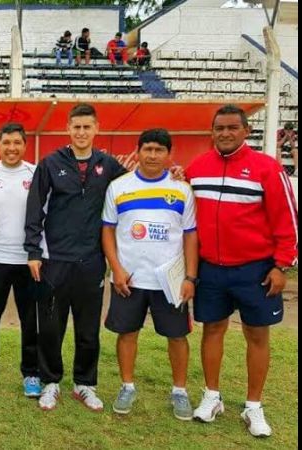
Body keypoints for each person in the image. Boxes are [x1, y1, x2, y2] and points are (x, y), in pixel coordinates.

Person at [186, 104, 298, 438]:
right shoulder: (198, 166)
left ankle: (253, 405)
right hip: (211, 269)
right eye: (219, 128)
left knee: (257, 334)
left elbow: (287, 220)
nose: (225, 133)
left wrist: (282, 265)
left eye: (232, 128)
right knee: (212, 329)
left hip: (256, 270)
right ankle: (211, 396)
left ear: (246, 131)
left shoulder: (267, 168)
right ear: (212, 131)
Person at [24, 103, 126, 411]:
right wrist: (33, 251)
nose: (81, 132)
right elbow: (35, 209)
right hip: (55, 261)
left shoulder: (108, 166)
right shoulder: (51, 164)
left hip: (91, 261)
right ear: (68, 129)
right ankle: (51, 382)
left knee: (87, 328)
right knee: (52, 326)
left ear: (97, 129)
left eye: (87, 127)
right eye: (76, 127)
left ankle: (85, 384)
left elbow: (134, 189)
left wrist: (172, 176)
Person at [101, 128, 198, 418]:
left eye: (159, 150)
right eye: (147, 149)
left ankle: (179, 391)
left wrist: (190, 277)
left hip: (170, 281)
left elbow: (190, 235)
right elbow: (107, 230)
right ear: (138, 151)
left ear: (169, 155)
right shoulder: (119, 187)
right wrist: (116, 269)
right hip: (129, 279)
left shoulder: (181, 191)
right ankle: (127, 386)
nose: (152, 155)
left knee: (177, 336)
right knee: (127, 333)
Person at [0, 123, 40, 398]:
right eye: (6, 143)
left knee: (31, 320)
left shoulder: (37, 173)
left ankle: (32, 374)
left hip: (29, 262)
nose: (11, 148)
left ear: (25, 145)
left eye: (17, 143)